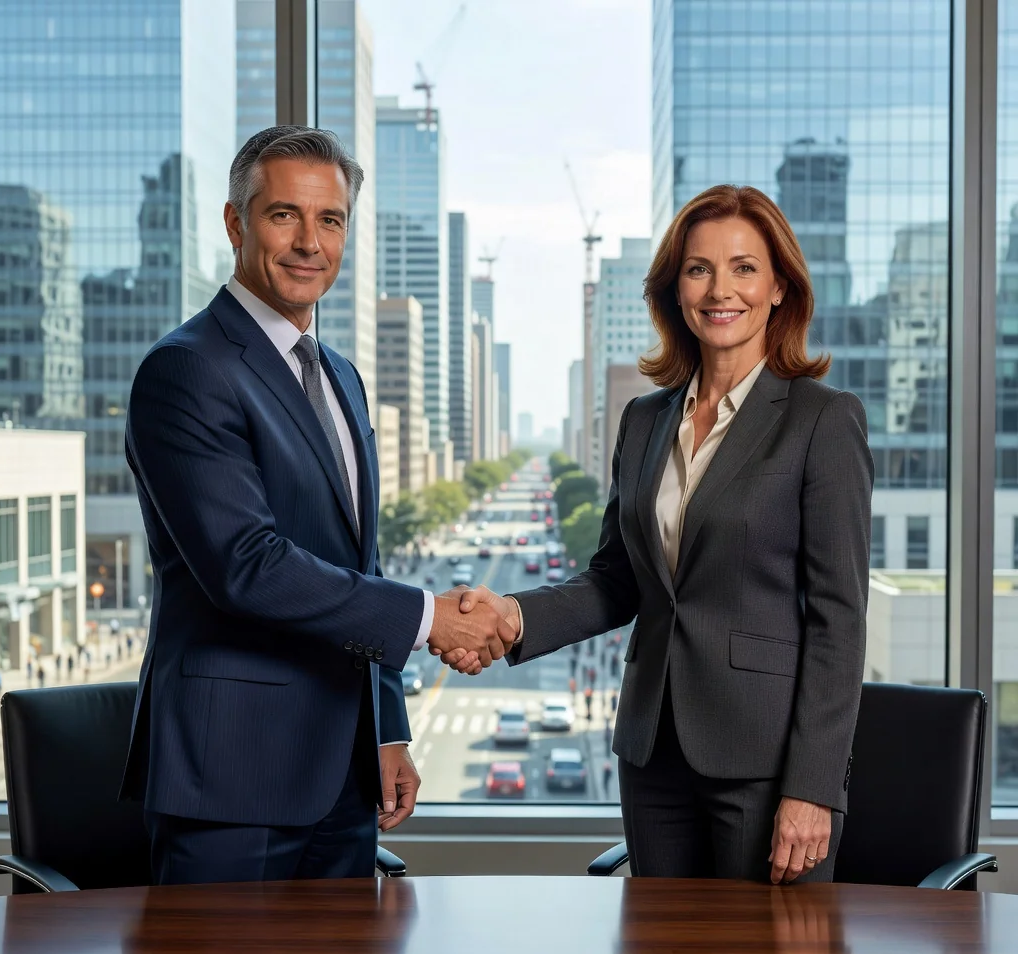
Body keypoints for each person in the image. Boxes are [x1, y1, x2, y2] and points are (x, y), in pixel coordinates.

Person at [438, 185, 872, 885]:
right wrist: (511, 617)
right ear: (675, 289)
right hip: (652, 751)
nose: (719, 289)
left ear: (780, 288)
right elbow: (617, 580)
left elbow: (839, 619)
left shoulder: (822, 421)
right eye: (699, 268)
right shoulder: (644, 420)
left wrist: (815, 786)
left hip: (765, 767)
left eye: (743, 267)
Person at [121, 125, 514, 886]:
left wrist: (388, 731)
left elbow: (354, 565)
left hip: (342, 776)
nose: (309, 242)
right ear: (236, 223)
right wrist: (433, 618)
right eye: (283, 216)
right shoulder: (187, 369)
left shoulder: (340, 375)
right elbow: (246, 566)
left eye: (329, 220)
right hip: (231, 776)